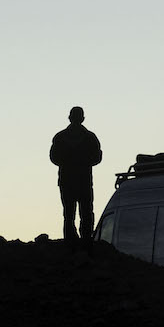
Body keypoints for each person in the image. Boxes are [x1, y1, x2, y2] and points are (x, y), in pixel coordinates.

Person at [49, 106, 102, 248]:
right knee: (80, 212)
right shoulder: (89, 137)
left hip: (72, 181)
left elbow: (54, 157)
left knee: (72, 213)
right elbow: (97, 157)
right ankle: (82, 239)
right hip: (79, 181)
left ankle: (77, 239)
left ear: (70, 118)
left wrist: (70, 161)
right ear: (82, 118)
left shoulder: (61, 137)